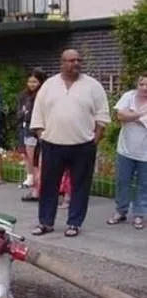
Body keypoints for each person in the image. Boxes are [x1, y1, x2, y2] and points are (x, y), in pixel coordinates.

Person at [29, 49, 111, 237]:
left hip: (83, 146)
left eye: (78, 60)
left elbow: (102, 117)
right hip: (52, 145)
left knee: (80, 186)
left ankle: (74, 223)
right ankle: (46, 222)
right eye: (71, 60)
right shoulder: (49, 85)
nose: (76, 63)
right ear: (62, 62)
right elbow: (38, 115)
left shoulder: (93, 86)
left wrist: (94, 141)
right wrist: (43, 136)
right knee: (49, 186)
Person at [106, 73, 147, 230]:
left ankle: (139, 214)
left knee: (144, 184)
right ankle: (120, 211)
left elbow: (127, 116)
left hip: (145, 153)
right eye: (142, 84)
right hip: (126, 149)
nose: (144, 88)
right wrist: (139, 115)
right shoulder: (128, 96)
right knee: (122, 181)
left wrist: (132, 116)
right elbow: (120, 115)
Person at [17, 68, 46, 190]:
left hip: (35, 129)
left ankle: (35, 179)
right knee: (26, 154)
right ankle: (30, 176)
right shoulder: (23, 95)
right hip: (24, 127)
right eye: (30, 82)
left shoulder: (42, 95)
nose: (31, 84)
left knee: (35, 155)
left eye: (34, 82)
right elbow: (19, 110)